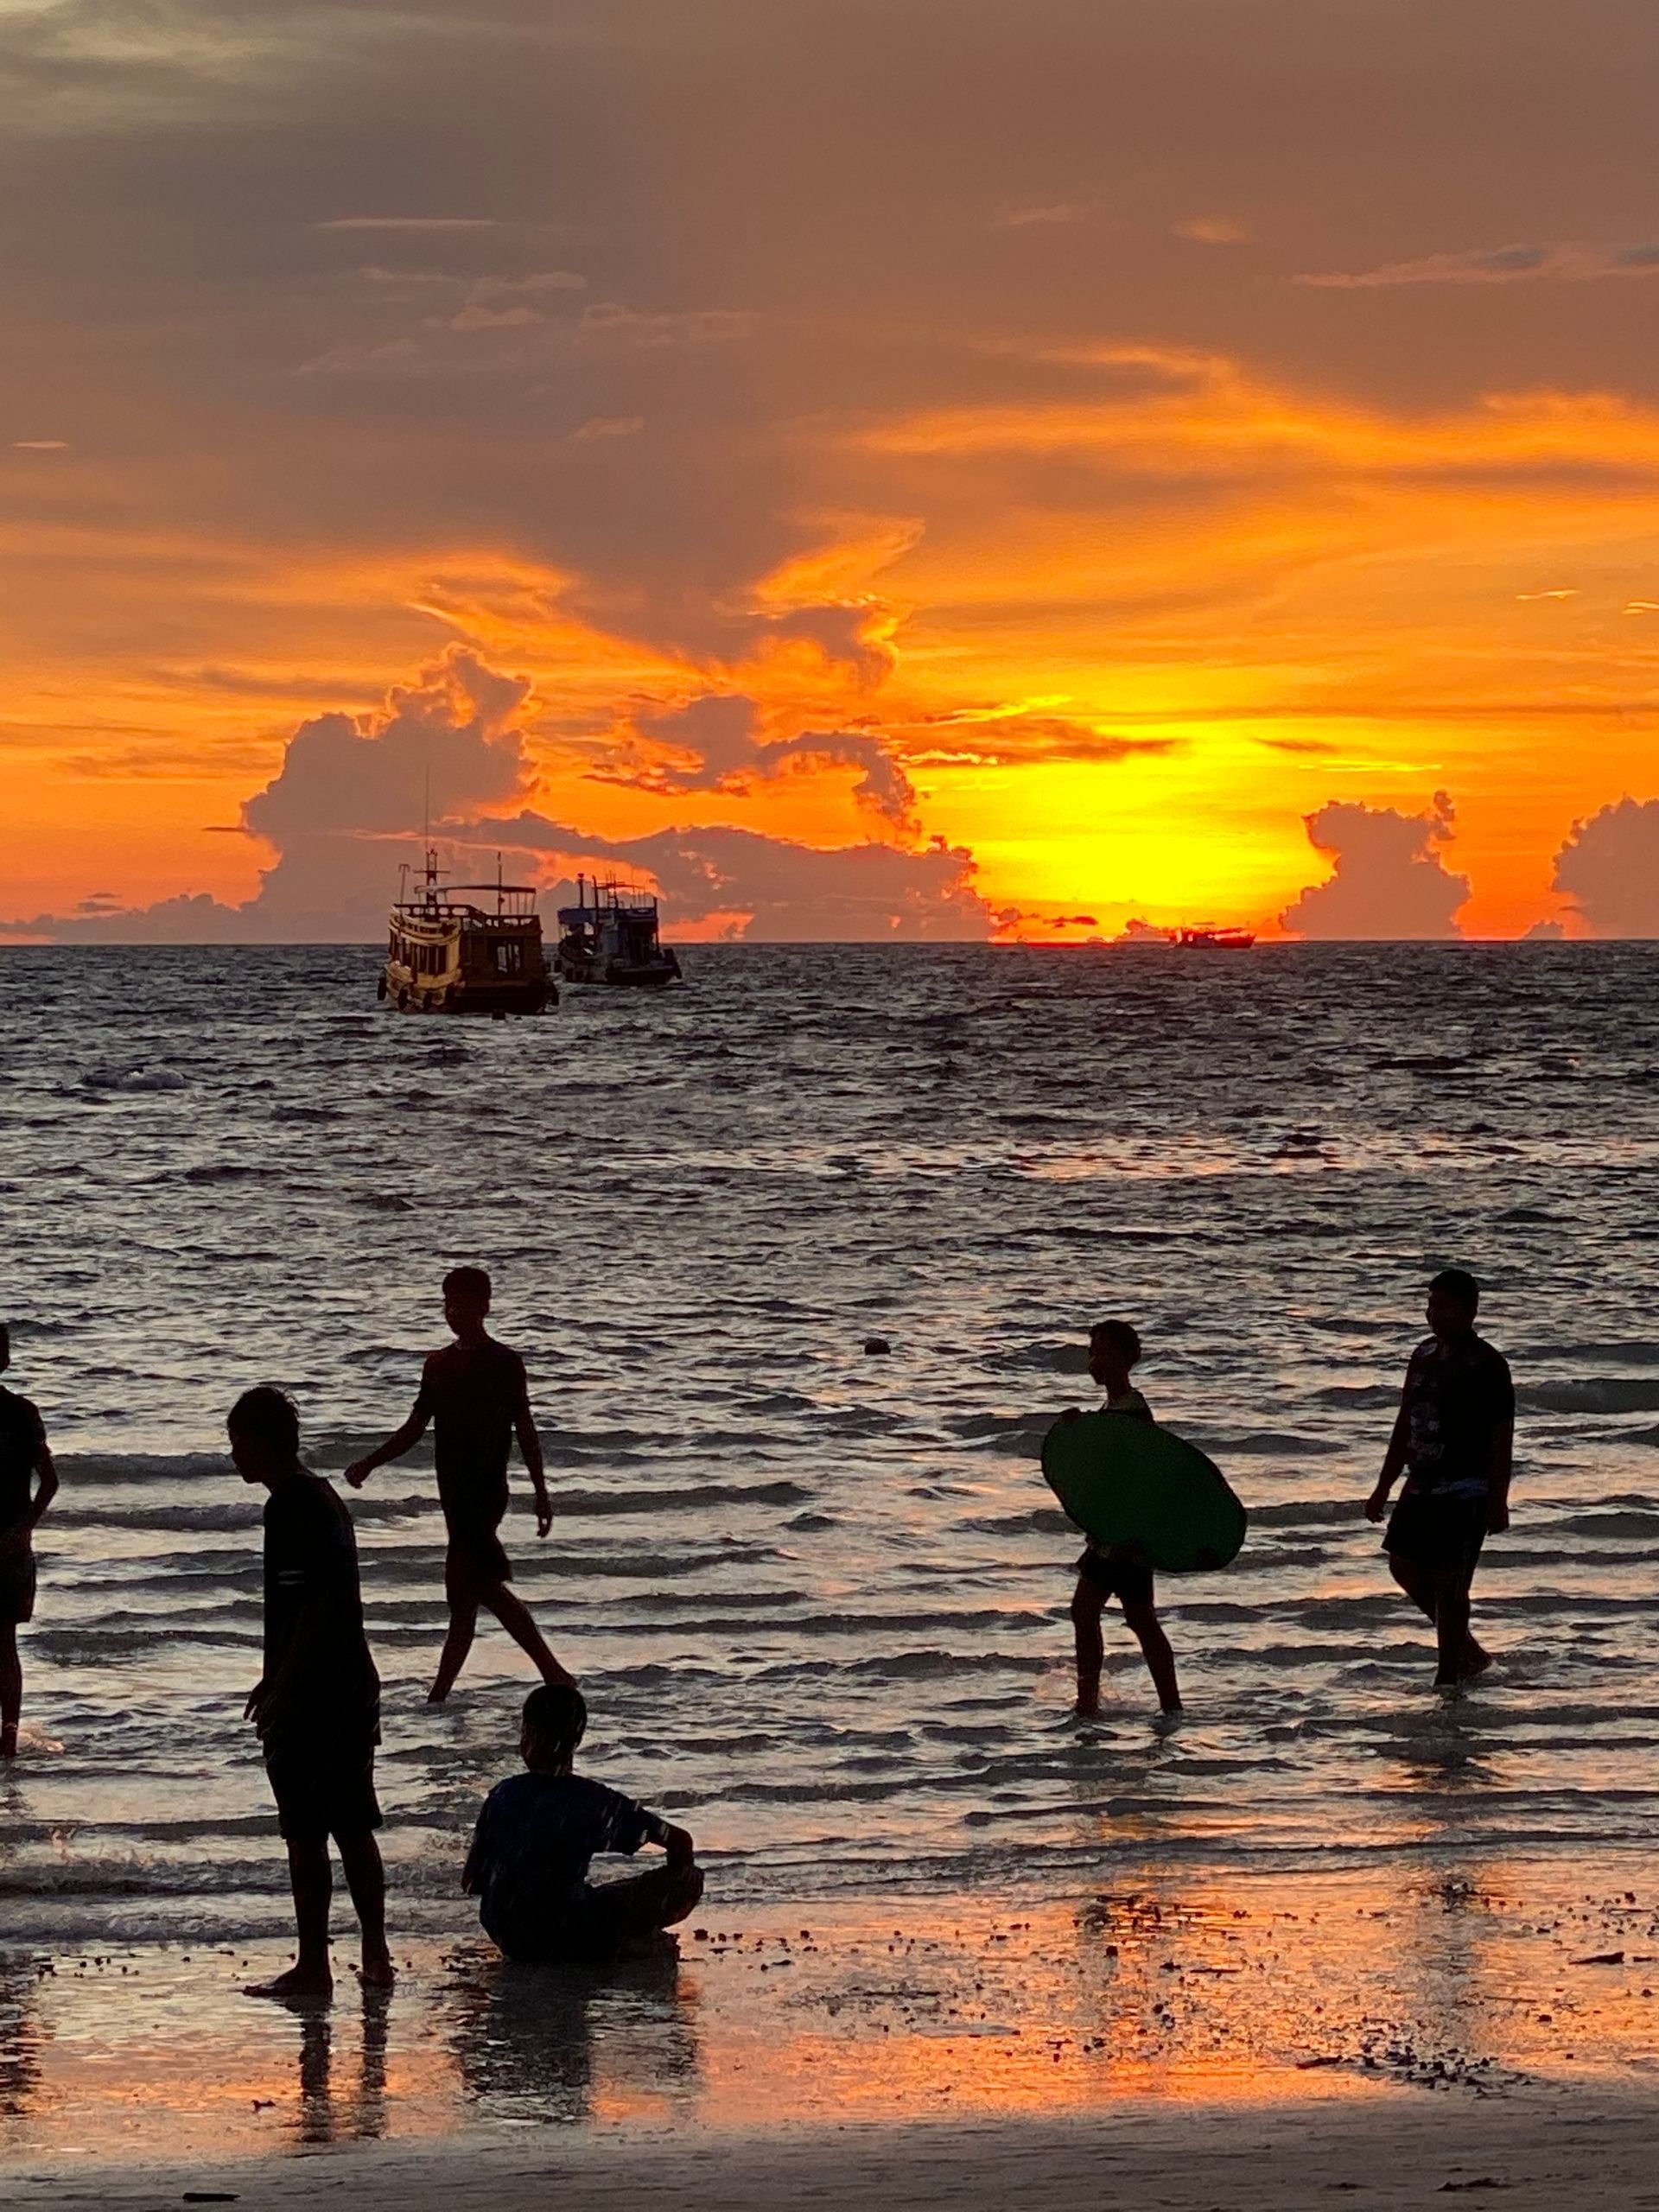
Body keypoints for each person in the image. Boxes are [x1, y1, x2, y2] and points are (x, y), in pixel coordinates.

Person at [230, 1384, 392, 2001]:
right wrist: (274, 1679)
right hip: (349, 1682)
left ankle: (314, 1966)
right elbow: (320, 1605)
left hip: (319, 1692)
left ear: (262, 1442)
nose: (233, 1456)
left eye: (237, 1442)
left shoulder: (290, 1506)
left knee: (305, 1831)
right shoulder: (320, 1496)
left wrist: (281, 1688)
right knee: (352, 1824)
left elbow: (314, 1609)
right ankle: (374, 1955)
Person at [346, 1268, 570, 1702]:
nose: (455, 1312)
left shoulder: (504, 1363)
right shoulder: (439, 1365)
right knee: (462, 1599)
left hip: (485, 1494)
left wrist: (541, 1492)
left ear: (485, 1306)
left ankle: (552, 1673)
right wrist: (371, 1462)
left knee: (479, 1586)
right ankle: (441, 1697)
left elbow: (525, 1427)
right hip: (453, 1491)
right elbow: (414, 1427)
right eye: (448, 1303)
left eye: (464, 1303)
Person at [463, 1682, 703, 1964]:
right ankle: (627, 1943)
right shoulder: (593, 1801)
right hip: (571, 1932)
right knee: (690, 1879)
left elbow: (471, 1882)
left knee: (571, 1900)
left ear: (527, 1736)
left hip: (509, 1934)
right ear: (576, 1741)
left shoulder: (502, 1795)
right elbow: (678, 1841)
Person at [1366, 1268, 1515, 1688]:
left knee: (1452, 1585)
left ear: (1469, 1311)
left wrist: (1497, 1499)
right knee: (1403, 1565)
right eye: (1431, 1304)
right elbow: (1404, 1424)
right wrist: (1383, 1486)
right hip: (1422, 1483)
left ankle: (1448, 1677)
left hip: (1467, 1489)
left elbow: (1501, 1437)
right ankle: (1465, 1650)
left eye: (1445, 1306)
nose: (1435, 1313)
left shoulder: (1487, 1364)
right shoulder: (1424, 1355)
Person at [1064, 1319, 1181, 1718]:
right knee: (1133, 1618)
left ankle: (1089, 1705)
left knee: (1098, 1612)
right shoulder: (1113, 1410)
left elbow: (1141, 1478)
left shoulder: (1133, 1414)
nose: (1093, 1361)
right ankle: (1167, 1706)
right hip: (1114, 1535)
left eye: (1102, 1352)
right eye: (1091, 1352)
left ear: (1126, 1358)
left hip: (1124, 1539)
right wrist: (1077, 1433)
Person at [0, 1324, 59, 1760]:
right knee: (4, 1643)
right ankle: (6, 1736)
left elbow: (50, 1481)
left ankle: (8, 1735)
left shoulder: (22, 1414)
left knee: (4, 1642)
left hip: (10, 1544)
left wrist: (24, 1529)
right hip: (13, 1540)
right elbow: (50, 1481)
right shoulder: (23, 1414)